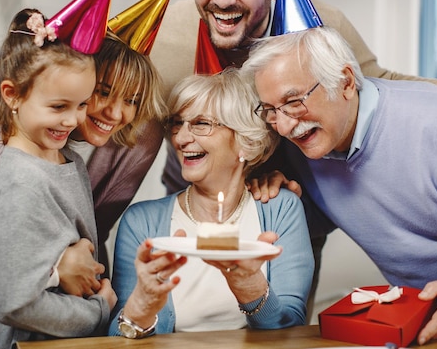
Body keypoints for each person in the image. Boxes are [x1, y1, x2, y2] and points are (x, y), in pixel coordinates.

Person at [240, 25, 437, 345]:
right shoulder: (303, 143)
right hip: (419, 317)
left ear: (345, 82)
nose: (285, 125)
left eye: (294, 101)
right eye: (271, 110)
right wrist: (288, 199)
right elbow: (339, 216)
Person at [0, 28, 166, 348]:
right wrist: (51, 263)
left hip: (59, 309)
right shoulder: (7, 126)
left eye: (131, 100)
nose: (114, 112)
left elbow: (91, 231)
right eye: (103, 91)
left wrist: (94, 303)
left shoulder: (134, 140)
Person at [107, 69, 313, 337]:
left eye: (201, 123)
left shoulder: (280, 209)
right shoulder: (141, 222)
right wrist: (141, 307)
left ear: (245, 142)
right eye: (177, 124)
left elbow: (291, 331)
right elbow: (116, 338)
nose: (180, 139)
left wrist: (250, 287)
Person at [0, 8, 120, 347]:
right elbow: (16, 303)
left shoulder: (68, 161)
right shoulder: (21, 182)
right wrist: (99, 311)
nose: (72, 121)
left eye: (82, 104)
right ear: (12, 95)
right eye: (58, 107)